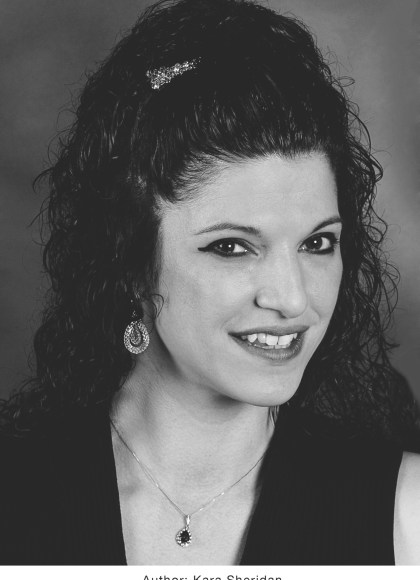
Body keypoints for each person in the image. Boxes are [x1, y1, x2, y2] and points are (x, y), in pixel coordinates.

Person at [0, 0, 419, 566]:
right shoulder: (16, 499)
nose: (293, 298)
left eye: (317, 243)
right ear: (128, 262)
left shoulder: (407, 515)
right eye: (232, 248)